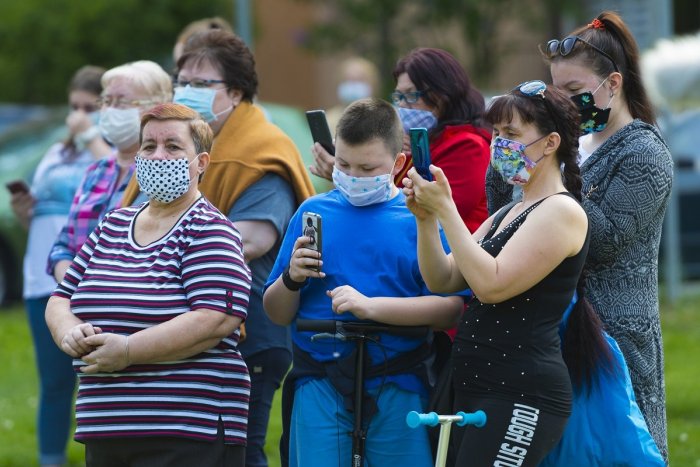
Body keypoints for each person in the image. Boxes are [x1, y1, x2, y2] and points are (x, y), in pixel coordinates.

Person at [120, 29, 315, 467]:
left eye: (201, 83)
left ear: (236, 92)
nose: (187, 91)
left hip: (250, 332)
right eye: (182, 81)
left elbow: (250, 240)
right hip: (169, 325)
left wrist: (152, 257)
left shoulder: (264, 151)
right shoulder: (170, 149)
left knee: (237, 452)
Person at [404, 81, 606, 466]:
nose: (499, 144)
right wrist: (426, 220)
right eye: (496, 133)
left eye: (511, 134)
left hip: (521, 392)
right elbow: (443, 279)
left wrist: (447, 209)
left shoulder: (562, 211)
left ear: (550, 143)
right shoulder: (507, 212)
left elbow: (491, 285)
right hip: (476, 386)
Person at [45, 103, 252, 465]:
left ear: (201, 163)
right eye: (149, 146)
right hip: (106, 427)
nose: (158, 156)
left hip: (185, 429)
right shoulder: (112, 224)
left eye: (172, 146)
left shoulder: (210, 229)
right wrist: (69, 333)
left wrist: (128, 350)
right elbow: (60, 298)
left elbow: (216, 318)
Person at [263, 98, 464, 467]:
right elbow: (276, 313)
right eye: (343, 165)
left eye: (367, 168)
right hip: (320, 378)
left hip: (400, 380)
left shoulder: (418, 218)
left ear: (399, 164)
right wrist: (291, 278)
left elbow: (450, 308)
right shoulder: (313, 211)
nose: (352, 176)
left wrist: (371, 307)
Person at [542, 11, 673, 460]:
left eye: (573, 91)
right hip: (558, 329)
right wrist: (512, 157)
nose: (562, 103)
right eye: (555, 92)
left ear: (612, 84)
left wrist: (552, 175)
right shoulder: (569, 145)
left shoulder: (645, 153)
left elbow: (602, 241)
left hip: (616, 339)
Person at [8, 65, 109, 467]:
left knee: (97, 379)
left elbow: (118, 182)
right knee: (53, 382)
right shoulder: (56, 152)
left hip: (89, 280)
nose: (78, 115)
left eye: (89, 107)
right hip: (42, 280)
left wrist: (89, 135)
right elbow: (42, 219)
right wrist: (24, 211)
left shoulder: (111, 151)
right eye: (74, 107)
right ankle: (50, 460)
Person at [46, 60, 172, 284]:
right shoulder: (97, 171)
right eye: (106, 101)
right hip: (77, 297)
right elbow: (63, 246)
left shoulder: (165, 174)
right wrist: (73, 288)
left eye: (121, 102)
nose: (110, 109)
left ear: (157, 107)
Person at [323, 56, 380, 133]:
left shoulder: (384, 117)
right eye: (348, 80)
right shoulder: (327, 120)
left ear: (373, 84)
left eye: (359, 80)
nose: (353, 85)